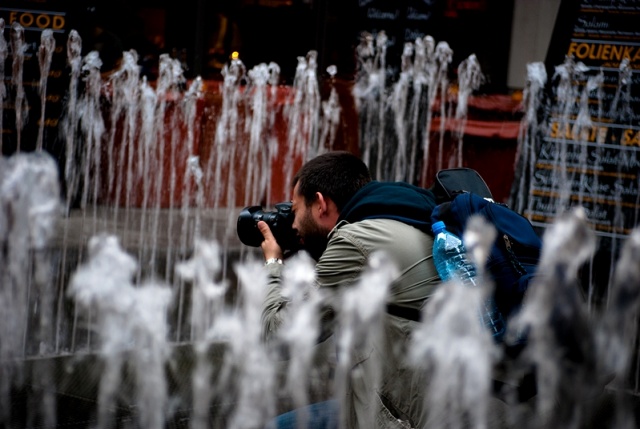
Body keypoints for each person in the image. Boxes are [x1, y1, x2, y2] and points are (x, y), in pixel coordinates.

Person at [258, 151, 442, 428]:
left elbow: (280, 336)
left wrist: (274, 262)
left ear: (320, 204)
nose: (293, 224)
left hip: (408, 417)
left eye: (295, 211)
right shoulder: (404, 216)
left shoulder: (354, 242)